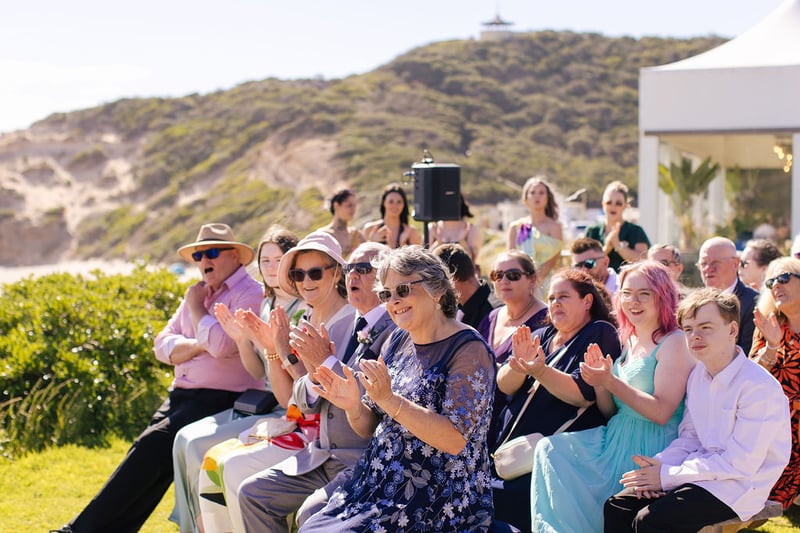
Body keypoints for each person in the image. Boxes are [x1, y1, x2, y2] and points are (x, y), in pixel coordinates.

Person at [52, 223, 264, 533]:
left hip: (223, 398)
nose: (204, 260)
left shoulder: (248, 292)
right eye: (199, 255)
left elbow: (223, 346)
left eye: (212, 252)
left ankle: (77, 531)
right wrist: (200, 342)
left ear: (234, 256)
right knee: (150, 457)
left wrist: (195, 310)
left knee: (150, 446)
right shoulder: (198, 291)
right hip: (183, 395)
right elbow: (162, 346)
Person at [299, 246, 497, 532]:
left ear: (437, 290)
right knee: (311, 522)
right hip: (378, 480)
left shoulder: (468, 349)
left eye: (403, 290)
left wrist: (390, 400)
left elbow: (455, 440)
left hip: (436, 495)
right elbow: (369, 426)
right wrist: (354, 405)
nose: (393, 301)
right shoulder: (398, 340)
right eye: (386, 294)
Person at [197, 231, 356, 533]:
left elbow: (323, 398)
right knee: (221, 466)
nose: (305, 281)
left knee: (233, 470)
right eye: (298, 274)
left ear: (336, 272)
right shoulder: (304, 320)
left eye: (314, 272)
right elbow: (291, 401)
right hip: (308, 434)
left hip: (331, 447)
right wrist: (273, 350)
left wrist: (282, 351)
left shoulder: (350, 322)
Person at [230, 242, 396, 533]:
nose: (353, 276)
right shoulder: (347, 323)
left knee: (310, 515)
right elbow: (305, 401)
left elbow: (367, 397)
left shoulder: (387, 328)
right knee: (252, 493)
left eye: (363, 269)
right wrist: (284, 353)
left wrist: (294, 357)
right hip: (321, 452)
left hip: (360, 458)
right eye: (298, 274)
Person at [604, 288, 791, 532]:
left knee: (651, 520)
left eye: (706, 327)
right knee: (618, 506)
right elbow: (690, 437)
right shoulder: (698, 376)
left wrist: (667, 476)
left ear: (732, 330)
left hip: (739, 486)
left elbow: (740, 464)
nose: (695, 336)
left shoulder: (758, 387)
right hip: (699, 473)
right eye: (689, 329)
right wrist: (658, 466)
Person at [530, 261, 695, 532]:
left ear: (663, 296)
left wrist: (611, 381)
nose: (634, 301)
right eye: (627, 293)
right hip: (615, 435)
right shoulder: (627, 340)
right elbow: (610, 411)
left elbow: (661, 412)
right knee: (550, 450)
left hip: (651, 443)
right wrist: (599, 382)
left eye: (645, 293)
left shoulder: (674, 341)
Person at [169, 226, 303, 533]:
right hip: (264, 404)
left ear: (291, 264)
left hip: (289, 410)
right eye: (265, 261)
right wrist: (243, 340)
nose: (271, 268)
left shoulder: (302, 307)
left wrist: (272, 348)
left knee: (196, 447)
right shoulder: (266, 304)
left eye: (278, 261)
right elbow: (257, 371)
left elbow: (291, 378)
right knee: (184, 439)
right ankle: (194, 525)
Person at [491, 269, 621, 531]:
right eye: (551, 298)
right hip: (509, 453)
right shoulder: (543, 334)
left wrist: (539, 370)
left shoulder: (599, 332)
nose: (555, 303)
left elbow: (582, 396)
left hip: (552, 459)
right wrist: (518, 366)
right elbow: (503, 385)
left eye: (564, 296)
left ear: (587, 301)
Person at [477, 250, 548, 448]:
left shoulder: (545, 321)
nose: (504, 280)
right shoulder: (491, 317)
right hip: (479, 419)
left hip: (513, 425)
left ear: (532, 280)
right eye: (497, 275)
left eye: (513, 275)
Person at [750, 256, 800, 508]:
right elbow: (750, 377)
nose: (776, 286)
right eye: (771, 282)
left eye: (784, 278)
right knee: (764, 503)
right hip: (779, 427)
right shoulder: (769, 325)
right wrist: (772, 345)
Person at [697, 236, 758, 353]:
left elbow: (748, 355)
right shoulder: (692, 304)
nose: (708, 269)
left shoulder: (753, 302)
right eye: (704, 263)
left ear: (735, 264)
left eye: (715, 263)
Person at [507, 176, 563, 292]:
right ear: (526, 198)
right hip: (520, 283)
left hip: (548, 284)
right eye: (532, 192)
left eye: (541, 193)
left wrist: (536, 281)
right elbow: (510, 258)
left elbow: (554, 258)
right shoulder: (516, 227)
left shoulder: (555, 227)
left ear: (547, 198)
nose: (537, 196)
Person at [585, 180, 650, 272]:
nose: (613, 206)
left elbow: (643, 261)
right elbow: (585, 263)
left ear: (625, 205)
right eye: (609, 202)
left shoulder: (636, 231)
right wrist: (606, 248)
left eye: (618, 203)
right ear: (603, 204)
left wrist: (618, 246)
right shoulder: (592, 231)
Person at [433, 242, 496, 328]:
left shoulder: (494, 314)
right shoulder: (454, 310)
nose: (434, 288)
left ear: (452, 278)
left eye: (436, 281)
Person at [362, 183, 421, 248]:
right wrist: (372, 243)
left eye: (399, 202)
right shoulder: (369, 229)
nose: (395, 206)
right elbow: (361, 256)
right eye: (391, 201)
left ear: (404, 205)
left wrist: (401, 246)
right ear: (384, 203)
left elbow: (418, 257)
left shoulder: (411, 232)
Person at [428, 193, 482, 263]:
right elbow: (427, 262)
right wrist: (438, 242)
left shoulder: (471, 230)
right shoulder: (433, 228)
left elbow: (472, 262)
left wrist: (462, 241)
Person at [318, 188, 363, 259]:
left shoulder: (357, 234)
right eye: (349, 205)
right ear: (336, 205)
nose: (353, 209)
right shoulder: (324, 235)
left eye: (354, 205)